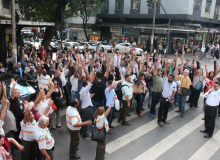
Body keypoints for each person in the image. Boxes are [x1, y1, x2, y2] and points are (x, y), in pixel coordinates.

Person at [90, 57, 110, 123]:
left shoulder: (95, 82)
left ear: (95, 76)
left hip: (95, 100)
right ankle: (101, 122)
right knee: (101, 113)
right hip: (101, 100)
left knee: (94, 112)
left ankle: (93, 123)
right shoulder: (103, 81)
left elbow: (90, 79)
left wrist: (93, 71)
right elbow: (107, 72)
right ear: (101, 76)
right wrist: (108, 62)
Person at [158, 59, 177, 127]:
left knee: (166, 109)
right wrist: (165, 65)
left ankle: (164, 119)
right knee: (161, 109)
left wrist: (171, 98)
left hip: (169, 99)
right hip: (163, 97)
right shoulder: (165, 80)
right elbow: (165, 73)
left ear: (173, 79)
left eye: (171, 78)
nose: (169, 79)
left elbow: (174, 91)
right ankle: (159, 121)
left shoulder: (174, 84)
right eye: (169, 77)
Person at [79, 61, 94, 139]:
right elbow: (91, 81)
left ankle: (82, 131)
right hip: (87, 108)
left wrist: (90, 96)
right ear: (85, 85)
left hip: (83, 107)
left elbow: (84, 98)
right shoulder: (85, 89)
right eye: (87, 83)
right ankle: (85, 134)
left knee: (83, 120)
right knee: (87, 121)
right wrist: (92, 72)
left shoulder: (82, 90)